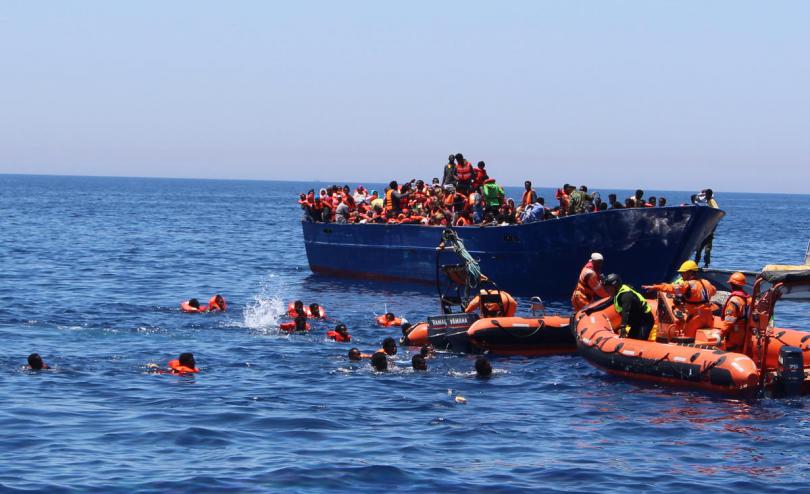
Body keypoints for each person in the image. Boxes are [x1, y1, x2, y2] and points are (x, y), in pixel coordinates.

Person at [642, 260, 717, 338]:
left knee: (688, 338)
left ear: (690, 272)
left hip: (697, 317)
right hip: (709, 316)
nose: (682, 275)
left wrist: (656, 287)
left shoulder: (688, 285)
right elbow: (713, 291)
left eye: (683, 273)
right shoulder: (707, 283)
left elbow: (672, 288)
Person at [603, 274, 654, 340]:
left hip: (644, 321)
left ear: (615, 286)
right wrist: (591, 309)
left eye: (609, 288)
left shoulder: (625, 295)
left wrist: (623, 327)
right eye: (606, 288)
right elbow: (606, 304)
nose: (608, 291)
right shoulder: (617, 294)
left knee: (638, 341)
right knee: (631, 339)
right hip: (636, 322)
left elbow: (625, 312)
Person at [718, 272, 750, 352]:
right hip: (745, 331)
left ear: (732, 285)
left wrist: (721, 334)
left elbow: (729, 321)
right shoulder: (748, 298)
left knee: (732, 351)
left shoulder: (734, 301)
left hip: (735, 334)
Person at [694, 189, 719, 268]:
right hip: (703, 231)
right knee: (699, 248)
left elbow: (716, 211)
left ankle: (706, 264)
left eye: (708, 194)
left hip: (709, 231)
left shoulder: (712, 201)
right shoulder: (705, 201)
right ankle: (696, 263)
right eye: (706, 195)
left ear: (710, 195)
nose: (706, 196)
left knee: (707, 249)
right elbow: (696, 198)